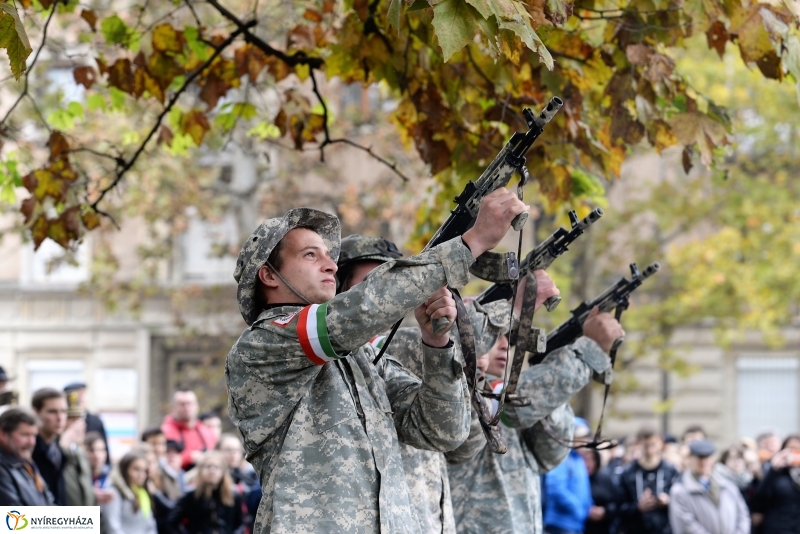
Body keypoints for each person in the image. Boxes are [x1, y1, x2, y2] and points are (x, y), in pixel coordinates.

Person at [227, 194, 525, 532]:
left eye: (329, 255)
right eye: (311, 255)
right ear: (268, 275)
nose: (330, 265)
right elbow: (358, 311)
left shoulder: (363, 358)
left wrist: (436, 343)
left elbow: (442, 431)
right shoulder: (264, 343)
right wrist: (470, 243)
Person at [446, 273, 622, 534]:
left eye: (511, 337)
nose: (505, 346)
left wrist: (551, 395)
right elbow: (511, 410)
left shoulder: (507, 392)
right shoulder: (453, 390)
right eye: (494, 335)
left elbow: (549, 456)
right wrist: (585, 354)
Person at [669, 439, 750, 534]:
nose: (704, 462)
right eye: (699, 458)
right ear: (690, 459)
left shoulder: (727, 486)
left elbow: (743, 516)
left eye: (707, 457)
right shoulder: (680, 491)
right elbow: (686, 526)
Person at [31, 387, 94, 506]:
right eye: (52, 412)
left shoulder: (57, 448)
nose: (60, 418)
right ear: (36, 413)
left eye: (64, 411)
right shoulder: (29, 449)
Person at [617, 425, 680, 534]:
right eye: (646, 446)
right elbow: (619, 508)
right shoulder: (628, 473)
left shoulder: (671, 471)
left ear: (661, 443)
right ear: (639, 444)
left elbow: (680, 505)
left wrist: (667, 502)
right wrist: (638, 508)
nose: (650, 450)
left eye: (653, 445)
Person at [169, 451, 243, 534]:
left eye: (217, 467)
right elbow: (172, 522)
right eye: (208, 466)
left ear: (223, 471)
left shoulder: (233, 495)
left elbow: (241, 524)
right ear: (200, 470)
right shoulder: (191, 496)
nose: (212, 470)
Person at [543, 418, 593, 534]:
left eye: (585, 437)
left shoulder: (578, 459)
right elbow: (555, 489)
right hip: (560, 525)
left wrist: (589, 506)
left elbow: (582, 488)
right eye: (580, 437)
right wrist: (579, 509)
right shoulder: (563, 457)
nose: (584, 441)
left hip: (574, 524)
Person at [0, 407, 53, 505]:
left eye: (34, 435)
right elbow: (14, 516)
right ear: (2, 434)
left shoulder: (27, 464)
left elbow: (48, 503)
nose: (31, 442)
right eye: (25, 435)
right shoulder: (3, 468)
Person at [101, 448, 158, 534]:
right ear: (125, 469)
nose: (141, 475)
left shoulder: (142, 493)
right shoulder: (114, 492)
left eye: (144, 471)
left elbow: (150, 525)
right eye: (136, 469)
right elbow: (112, 526)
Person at [751, 434, 800, 533]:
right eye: (791, 449)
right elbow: (760, 498)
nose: (795, 452)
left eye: (798, 449)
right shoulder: (775, 472)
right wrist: (774, 469)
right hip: (777, 528)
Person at [161, 390, 218, 470]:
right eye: (182, 404)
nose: (187, 408)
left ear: (197, 406)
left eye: (190, 403)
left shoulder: (206, 431)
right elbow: (163, 461)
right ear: (173, 408)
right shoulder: (165, 432)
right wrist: (190, 457)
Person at [580, 447, 618, 534]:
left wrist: (605, 511)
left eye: (592, 460)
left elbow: (616, 502)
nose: (588, 464)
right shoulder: (576, 481)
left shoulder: (605, 479)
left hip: (603, 527)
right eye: (585, 460)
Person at [63, 382, 108, 455]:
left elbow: (104, 446)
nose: (82, 398)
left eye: (83, 394)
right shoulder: (61, 420)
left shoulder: (96, 421)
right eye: (78, 394)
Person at [142, 427, 184, 501]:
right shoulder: (139, 467)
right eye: (154, 443)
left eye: (162, 444)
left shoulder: (165, 467)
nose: (159, 448)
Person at [84, 431, 114, 504]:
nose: (97, 455)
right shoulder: (78, 476)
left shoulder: (112, 476)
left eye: (101, 450)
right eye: (91, 450)